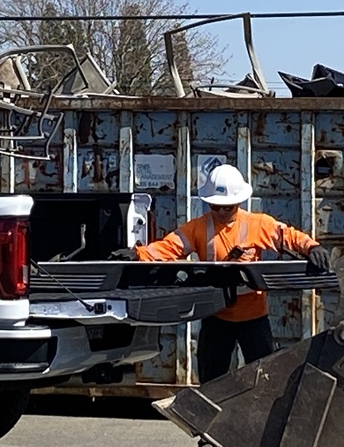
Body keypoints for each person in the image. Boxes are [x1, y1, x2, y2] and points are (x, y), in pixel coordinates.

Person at [112, 164, 329, 383]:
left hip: (253, 317)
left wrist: (312, 247)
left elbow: (287, 236)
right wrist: (139, 254)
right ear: (209, 203)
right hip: (216, 315)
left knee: (265, 379)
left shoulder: (258, 224)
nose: (223, 212)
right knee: (212, 381)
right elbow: (170, 247)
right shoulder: (197, 227)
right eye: (217, 206)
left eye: (228, 207)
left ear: (239, 202)